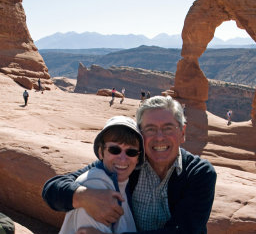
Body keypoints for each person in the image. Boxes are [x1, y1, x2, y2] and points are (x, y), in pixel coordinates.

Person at [42, 95, 217, 234]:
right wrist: (82, 196)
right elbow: (51, 189)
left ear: (182, 133)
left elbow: (185, 231)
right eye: (150, 129)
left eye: (168, 128)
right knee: (89, 185)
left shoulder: (199, 173)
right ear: (140, 136)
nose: (159, 137)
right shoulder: (130, 163)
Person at [59, 116, 144, 234]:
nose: (123, 159)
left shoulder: (124, 183)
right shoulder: (94, 184)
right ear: (101, 152)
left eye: (131, 152)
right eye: (114, 150)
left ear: (138, 157)